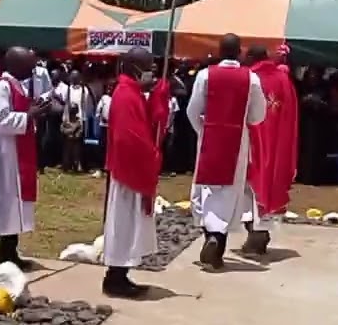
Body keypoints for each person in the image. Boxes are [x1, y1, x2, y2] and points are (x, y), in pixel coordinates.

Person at [185, 34, 267, 269]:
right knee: (230, 193)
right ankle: (218, 242)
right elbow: (258, 115)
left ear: (220, 52)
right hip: (237, 141)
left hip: (209, 138)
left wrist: (204, 131)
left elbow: (192, 111)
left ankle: (211, 237)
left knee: (206, 189)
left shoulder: (204, 75)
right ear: (240, 53)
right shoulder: (251, 78)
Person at [101, 48, 169, 298]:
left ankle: (121, 275)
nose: (152, 71)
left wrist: (158, 99)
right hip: (127, 170)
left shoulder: (134, 92)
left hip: (131, 168)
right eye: (148, 66)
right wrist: (150, 155)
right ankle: (115, 278)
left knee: (129, 225)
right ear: (134, 67)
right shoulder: (125, 94)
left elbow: (148, 122)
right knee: (123, 224)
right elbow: (128, 137)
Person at [0, 46, 50, 270]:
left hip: (19, 151)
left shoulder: (18, 85)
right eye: (29, 66)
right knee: (2, 202)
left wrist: (36, 111)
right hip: (6, 154)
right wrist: (29, 115)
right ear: (16, 65)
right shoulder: (3, 87)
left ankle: (8, 251)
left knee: (15, 204)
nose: (32, 70)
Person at [241, 44, 299, 256]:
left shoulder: (249, 78)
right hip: (278, 141)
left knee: (250, 187)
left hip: (253, 141)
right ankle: (261, 231)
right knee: (270, 183)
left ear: (251, 58)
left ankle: (256, 234)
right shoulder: (284, 79)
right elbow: (291, 113)